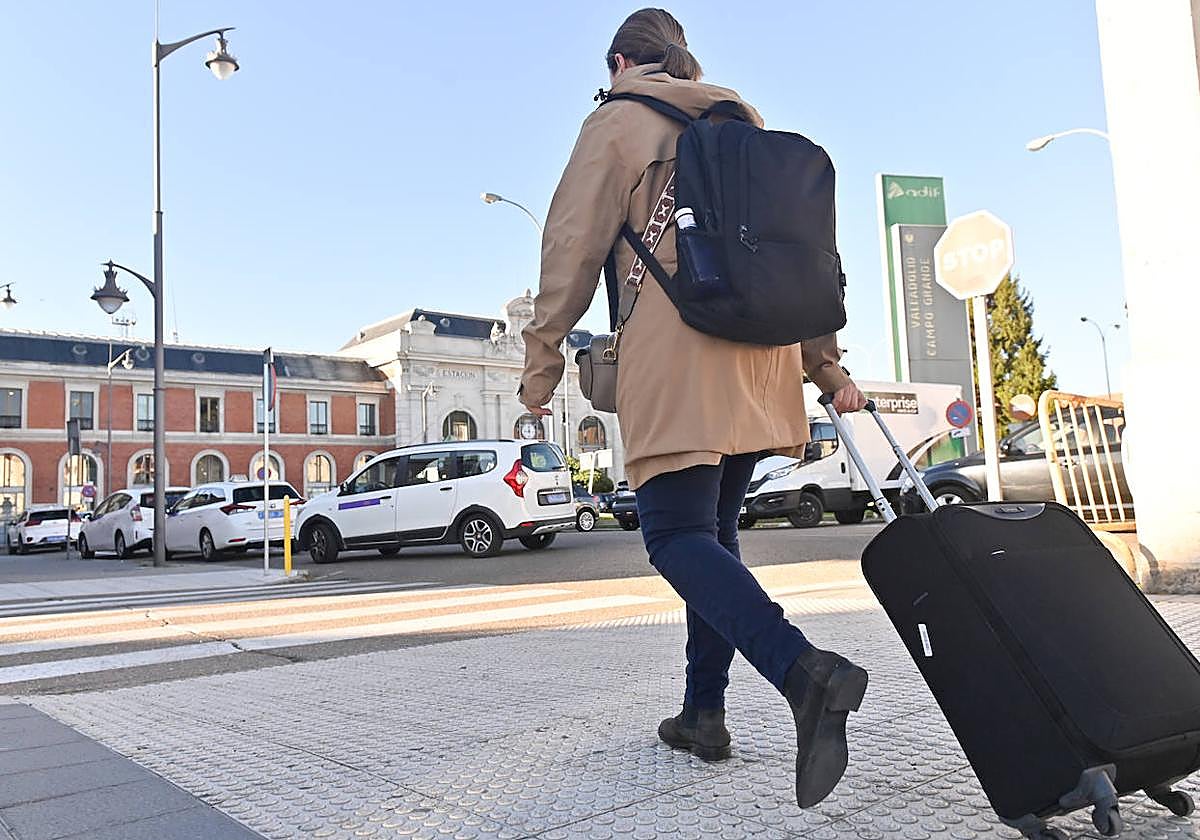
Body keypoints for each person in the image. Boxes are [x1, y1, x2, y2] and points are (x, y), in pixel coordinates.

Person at [518, 8, 869, 808]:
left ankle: (803, 672)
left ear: (619, 61)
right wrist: (823, 365)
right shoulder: (740, 117)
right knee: (714, 539)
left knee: (674, 536)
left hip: (681, 360)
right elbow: (797, 250)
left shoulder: (617, 120)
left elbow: (569, 249)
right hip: (763, 357)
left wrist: (539, 375)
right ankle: (703, 712)